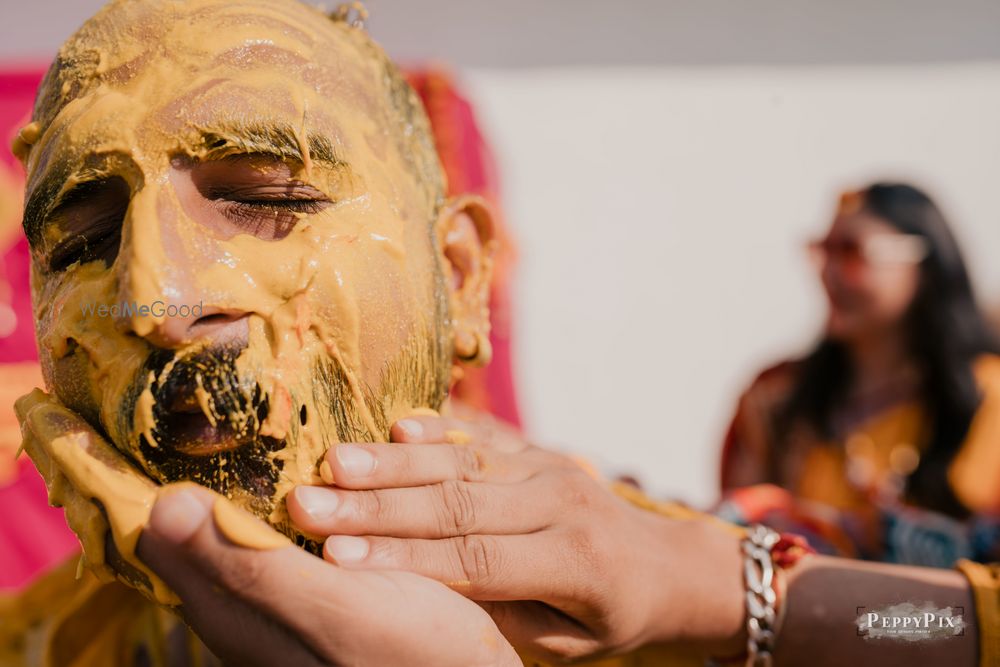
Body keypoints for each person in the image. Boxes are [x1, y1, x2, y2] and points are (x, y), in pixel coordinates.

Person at [719, 183, 1000, 566]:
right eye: (823, 251)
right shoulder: (777, 396)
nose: (829, 273)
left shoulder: (987, 395)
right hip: (792, 616)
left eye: (852, 253)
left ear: (924, 262)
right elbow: (731, 538)